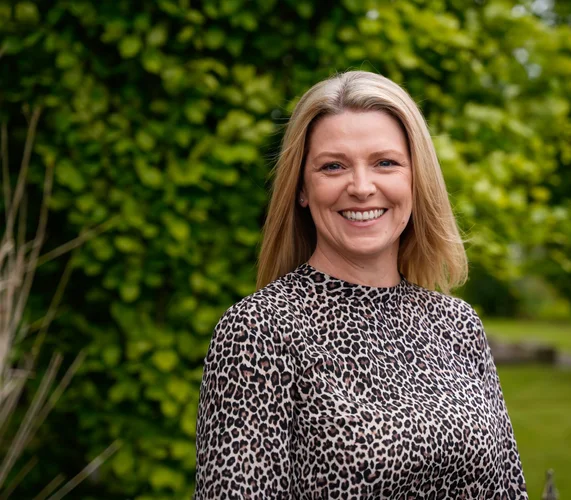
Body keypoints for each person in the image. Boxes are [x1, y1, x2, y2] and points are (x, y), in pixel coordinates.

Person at [194, 71, 528, 499]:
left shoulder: (456, 324)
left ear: (416, 179)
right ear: (302, 189)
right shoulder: (259, 330)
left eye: (385, 163)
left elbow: (508, 489)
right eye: (333, 166)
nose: (362, 187)